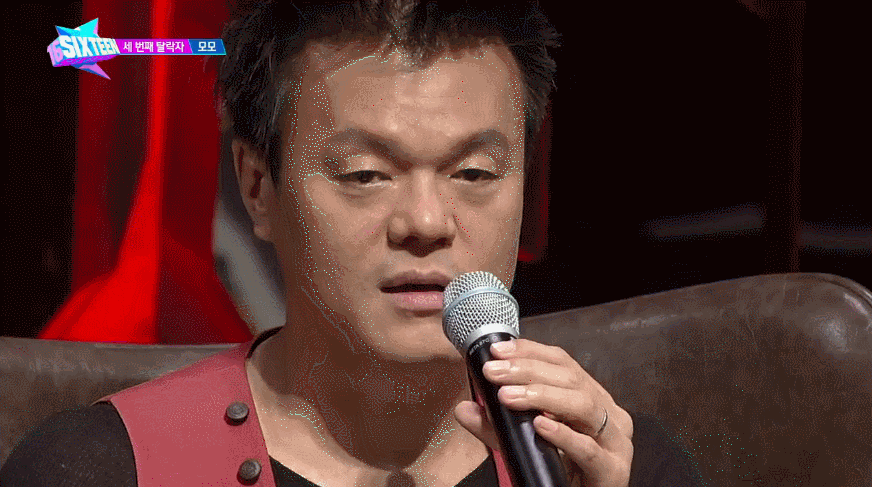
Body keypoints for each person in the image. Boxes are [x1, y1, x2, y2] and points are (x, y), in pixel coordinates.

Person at [1, 1, 704, 486]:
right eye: (366, 174)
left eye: (474, 173)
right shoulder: (98, 468)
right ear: (257, 186)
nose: (426, 221)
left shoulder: (612, 464)